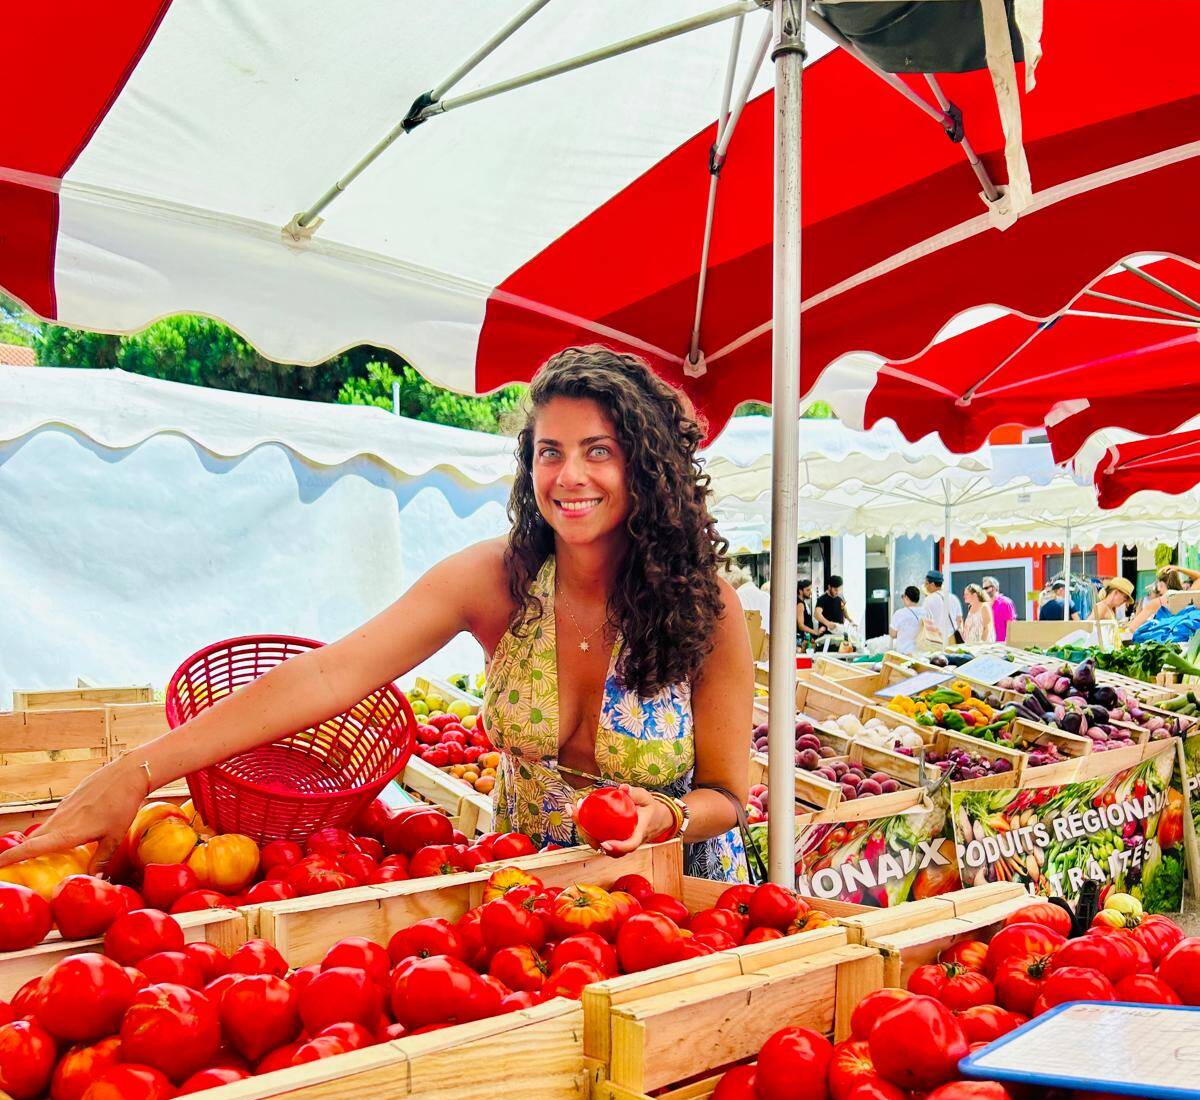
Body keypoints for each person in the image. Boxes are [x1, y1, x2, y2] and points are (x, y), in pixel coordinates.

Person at [0, 346, 753, 881]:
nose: (571, 476)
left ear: (646, 467)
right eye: (550, 451)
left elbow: (727, 793)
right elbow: (330, 675)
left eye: (600, 450)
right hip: (531, 895)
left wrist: (665, 816)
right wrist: (137, 770)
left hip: (680, 906)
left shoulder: (706, 606)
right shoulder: (498, 581)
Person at [920, 570, 959, 646]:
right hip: (953, 640)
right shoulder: (953, 598)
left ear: (932, 584)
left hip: (937, 642)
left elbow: (923, 622)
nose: (925, 586)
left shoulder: (928, 600)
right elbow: (959, 620)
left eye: (926, 583)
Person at [889, 585, 926, 654]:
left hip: (905, 653)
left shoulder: (900, 613)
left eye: (903, 596)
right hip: (922, 653)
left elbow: (893, 634)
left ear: (906, 597)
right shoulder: (925, 612)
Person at [815, 576, 852, 643]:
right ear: (829, 587)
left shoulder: (840, 597)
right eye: (835, 590)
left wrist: (850, 620)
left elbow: (844, 609)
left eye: (839, 589)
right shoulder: (822, 599)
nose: (837, 592)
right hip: (827, 636)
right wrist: (828, 623)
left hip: (840, 635)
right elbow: (817, 614)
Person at [982, 576, 1016, 642]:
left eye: (986, 588)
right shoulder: (984, 605)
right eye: (983, 589)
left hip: (1002, 646)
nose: (984, 591)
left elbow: (1012, 626)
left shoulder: (1006, 603)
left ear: (994, 588)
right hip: (987, 646)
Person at [796, 577, 818, 644]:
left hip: (806, 638)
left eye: (810, 589)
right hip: (802, 640)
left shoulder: (803, 602)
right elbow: (801, 625)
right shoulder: (800, 604)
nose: (810, 592)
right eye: (808, 590)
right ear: (800, 591)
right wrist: (815, 632)